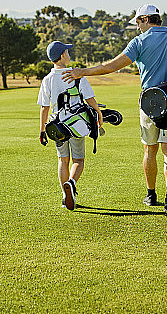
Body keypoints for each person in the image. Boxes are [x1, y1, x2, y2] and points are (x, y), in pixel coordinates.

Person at [62, 4, 167, 213]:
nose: (137, 27)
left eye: (138, 22)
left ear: (146, 19)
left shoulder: (139, 42)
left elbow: (111, 66)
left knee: (150, 149)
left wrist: (82, 72)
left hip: (150, 102)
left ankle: (151, 194)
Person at [38, 41, 103, 210]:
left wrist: (42, 130)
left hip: (57, 126)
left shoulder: (47, 79)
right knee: (78, 160)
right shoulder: (76, 75)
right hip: (76, 125)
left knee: (62, 160)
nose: (68, 53)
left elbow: (45, 108)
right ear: (62, 56)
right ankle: (71, 184)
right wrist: (99, 114)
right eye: (66, 51)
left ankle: (64, 196)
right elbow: (89, 99)